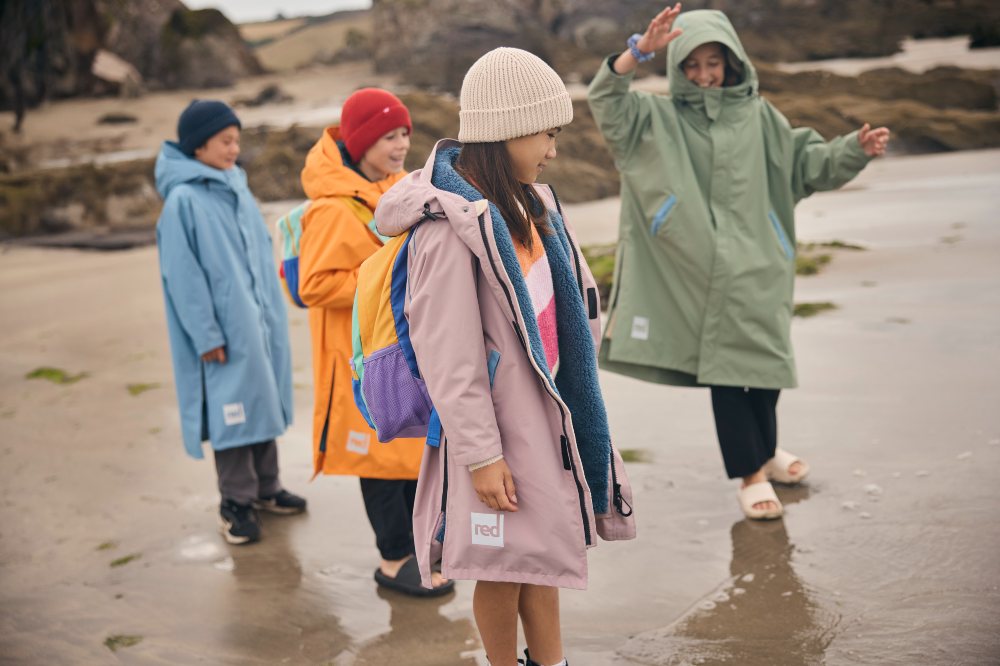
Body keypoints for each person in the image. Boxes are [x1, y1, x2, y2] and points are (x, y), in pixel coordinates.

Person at [373, 48, 637, 666]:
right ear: (507, 130)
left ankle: (552, 661)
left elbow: (561, 319)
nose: (553, 149)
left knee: (540, 558)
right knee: (500, 569)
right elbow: (450, 359)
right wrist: (482, 456)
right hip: (490, 438)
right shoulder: (447, 231)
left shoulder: (531, 206)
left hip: (545, 421)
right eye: (547, 133)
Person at [587, 5, 891, 520]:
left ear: (732, 63)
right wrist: (639, 51)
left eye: (714, 63)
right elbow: (606, 101)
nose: (705, 75)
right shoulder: (654, 119)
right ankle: (750, 475)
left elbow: (808, 164)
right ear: (679, 68)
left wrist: (853, 151)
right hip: (693, 271)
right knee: (727, 374)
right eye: (693, 65)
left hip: (761, 264)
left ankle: (767, 453)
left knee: (766, 366)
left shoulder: (762, 118)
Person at [297, 88, 453, 597]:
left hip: (392, 348)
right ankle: (392, 560)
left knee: (406, 449)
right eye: (389, 135)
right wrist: (385, 280)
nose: (402, 144)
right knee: (377, 459)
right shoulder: (330, 210)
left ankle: (416, 545)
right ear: (362, 140)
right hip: (354, 356)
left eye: (405, 133)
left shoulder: (394, 189)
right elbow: (313, 285)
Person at [155, 99, 306, 545]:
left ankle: (266, 487)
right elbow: (183, 276)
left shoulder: (236, 185)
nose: (234, 149)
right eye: (225, 140)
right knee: (233, 413)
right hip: (221, 330)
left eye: (237, 140)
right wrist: (206, 335)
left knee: (262, 398)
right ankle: (235, 502)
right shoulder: (183, 201)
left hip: (257, 320)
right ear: (198, 145)